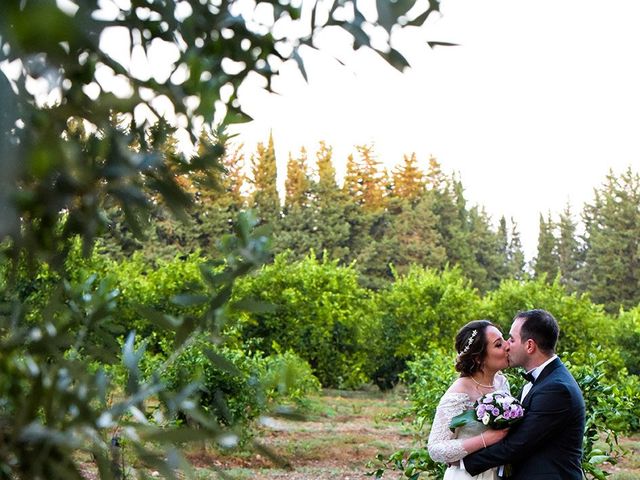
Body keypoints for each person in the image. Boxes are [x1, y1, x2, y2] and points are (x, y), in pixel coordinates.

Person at [463, 309, 586, 479]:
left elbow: (517, 445)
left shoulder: (557, 389)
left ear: (529, 346)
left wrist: (462, 461)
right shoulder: (544, 380)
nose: (507, 345)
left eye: (512, 339)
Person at [427, 320, 511, 480]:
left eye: (505, 340)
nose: (507, 346)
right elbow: (435, 448)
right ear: (479, 358)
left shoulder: (502, 381)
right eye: (498, 344)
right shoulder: (459, 393)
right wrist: (486, 439)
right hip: (467, 475)